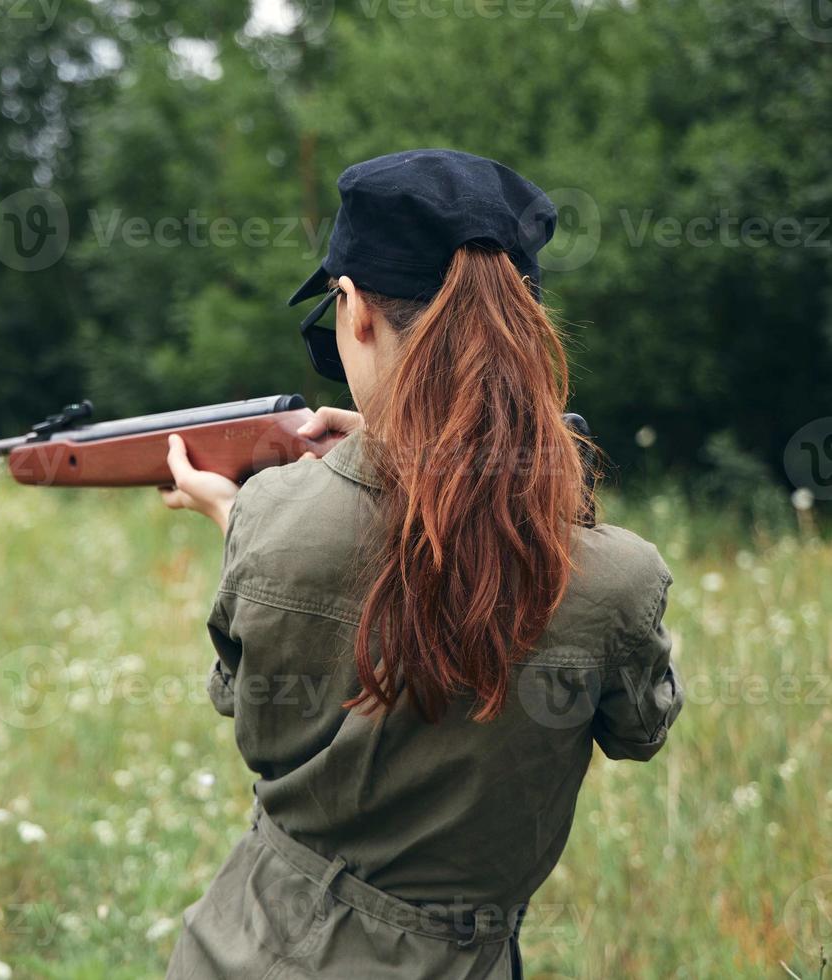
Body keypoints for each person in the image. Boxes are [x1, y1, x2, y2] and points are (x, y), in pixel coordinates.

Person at [159, 149, 683, 979]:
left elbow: (240, 698)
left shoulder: (269, 518)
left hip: (244, 949)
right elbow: (639, 728)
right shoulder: (620, 579)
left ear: (354, 307)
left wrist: (242, 515)